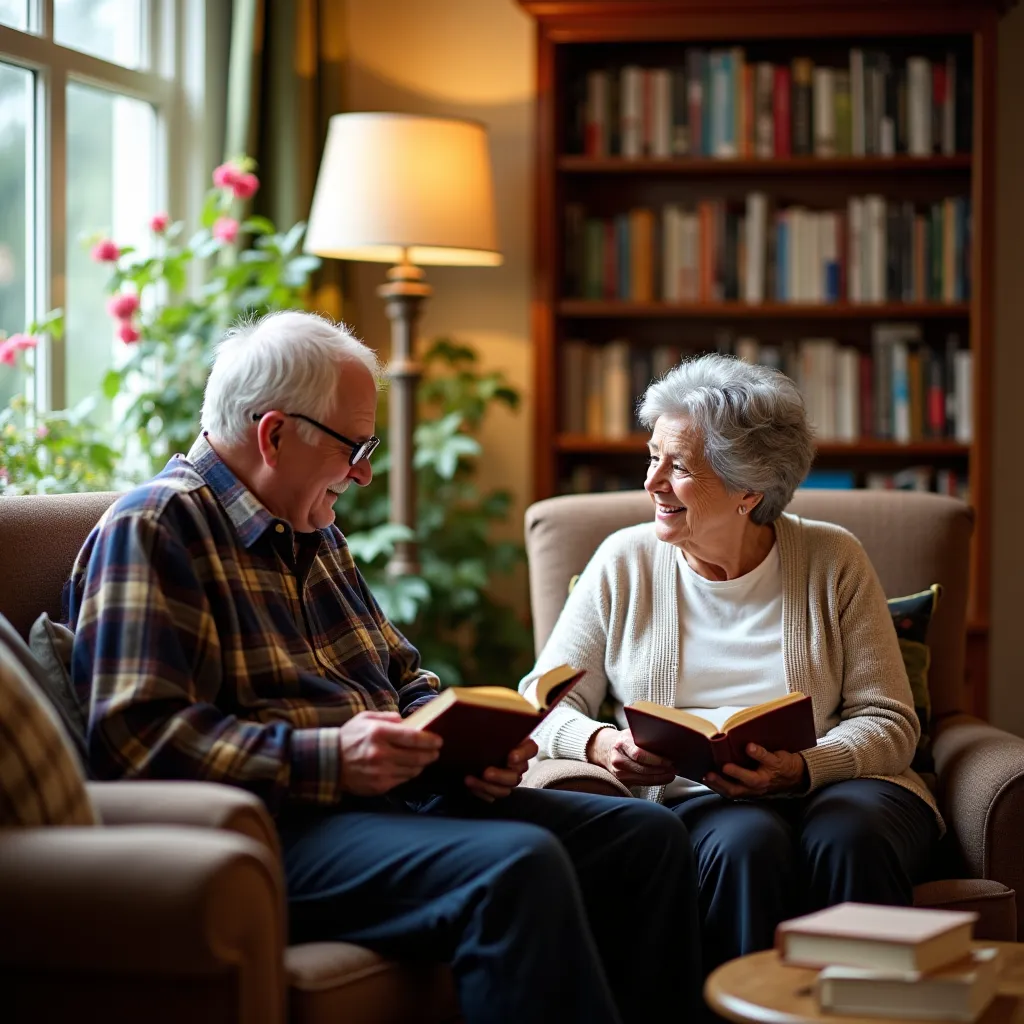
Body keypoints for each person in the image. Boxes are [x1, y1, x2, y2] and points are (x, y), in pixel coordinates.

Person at [66, 310, 703, 1024]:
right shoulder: (156, 526)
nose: (364, 472)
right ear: (274, 435)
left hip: (385, 805)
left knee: (646, 839)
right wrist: (332, 757)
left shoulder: (314, 529)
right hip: (269, 830)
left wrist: (465, 748)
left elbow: (402, 679)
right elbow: (135, 742)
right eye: (354, 447)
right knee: (517, 865)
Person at [521, 353, 941, 973]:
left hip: (843, 789)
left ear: (749, 489)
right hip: (697, 800)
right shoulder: (623, 562)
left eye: (679, 466)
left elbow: (890, 719)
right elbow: (540, 702)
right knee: (746, 844)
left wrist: (804, 767)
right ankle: (743, 1012)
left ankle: (867, 1008)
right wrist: (600, 745)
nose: (653, 482)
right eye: (652, 457)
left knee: (849, 838)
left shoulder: (833, 559)